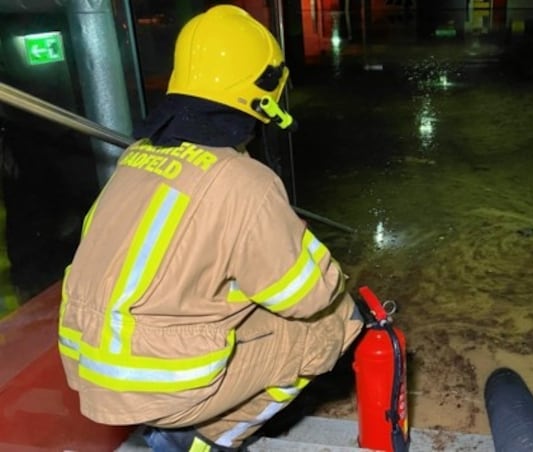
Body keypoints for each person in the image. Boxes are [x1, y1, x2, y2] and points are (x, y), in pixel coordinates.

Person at [57, 5, 363, 451]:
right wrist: (297, 239)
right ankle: (204, 440)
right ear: (263, 96)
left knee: (251, 307)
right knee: (335, 323)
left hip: (85, 362)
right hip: (156, 381)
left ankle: (175, 421)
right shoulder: (244, 183)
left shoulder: (137, 155)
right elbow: (310, 296)